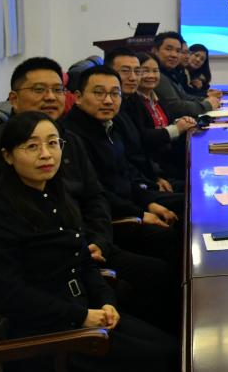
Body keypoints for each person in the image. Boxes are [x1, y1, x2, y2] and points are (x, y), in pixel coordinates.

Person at [0, 111, 180, 372]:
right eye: (32, 146)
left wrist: (106, 301)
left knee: (175, 352)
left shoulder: (56, 195)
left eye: (53, 143)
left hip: (83, 315)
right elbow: (11, 296)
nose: (46, 154)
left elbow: (82, 262)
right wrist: (81, 316)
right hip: (46, 337)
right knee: (161, 366)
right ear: (8, 156)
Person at [0, 57, 177, 334]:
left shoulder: (67, 139)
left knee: (166, 267)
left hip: (85, 246)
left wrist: (99, 241)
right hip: (52, 268)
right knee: (156, 276)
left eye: (57, 90)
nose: (51, 97)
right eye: (39, 90)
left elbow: (94, 196)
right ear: (14, 98)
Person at [59, 67, 182, 267]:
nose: (108, 100)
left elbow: (125, 173)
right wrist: (141, 213)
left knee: (189, 207)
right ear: (78, 97)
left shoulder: (109, 125)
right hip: (111, 220)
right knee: (172, 240)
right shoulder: (72, 137)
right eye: (99, 93)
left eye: (115, 94)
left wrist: (148, 203)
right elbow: (98, 192)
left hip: (130, 202)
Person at [106, 47, 195, 184]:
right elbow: (140, 144)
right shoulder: (120, 107)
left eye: (137, 71)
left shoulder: (134, 100)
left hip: (150, 172)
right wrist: (155, 179)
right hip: (143, 177)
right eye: (125, 71)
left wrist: (181, 122)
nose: (133, 77)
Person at [151, 31, 221, 118]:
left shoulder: (170, 72)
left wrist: (206, 99)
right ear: (155, 51)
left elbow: (184, 96)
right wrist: (207, 105)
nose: (174, 55)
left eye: (178, 51)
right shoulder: (156, 74)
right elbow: (176, 106)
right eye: (168, 49)